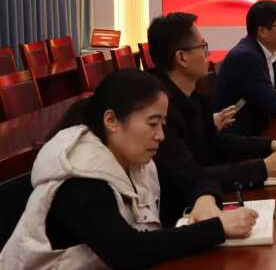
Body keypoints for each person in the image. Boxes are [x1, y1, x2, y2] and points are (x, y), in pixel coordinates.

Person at [0, 70, 258, 269]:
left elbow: (193, 176)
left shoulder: (131, 153)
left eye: (163, 124)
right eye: (152, 123)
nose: (161, 135)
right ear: (111, 120)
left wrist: (205, 199)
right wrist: (217, 228)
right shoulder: (79, 174)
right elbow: (127, 251)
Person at [147, 12, 276, 225]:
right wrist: (263, 168)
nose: (209, 53)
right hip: (183, 216)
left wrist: (271, 145)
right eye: (203, 46)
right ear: (182, 58)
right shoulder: (160, 110)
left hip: (207, 195)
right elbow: (189, 175)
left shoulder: (193, 95)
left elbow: (218, 142)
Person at [215, 0, 276, 136]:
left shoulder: (273, 51)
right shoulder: (246, 56)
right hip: (244, 136)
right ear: (263, 31)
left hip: (265, 126)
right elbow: (275, 102)